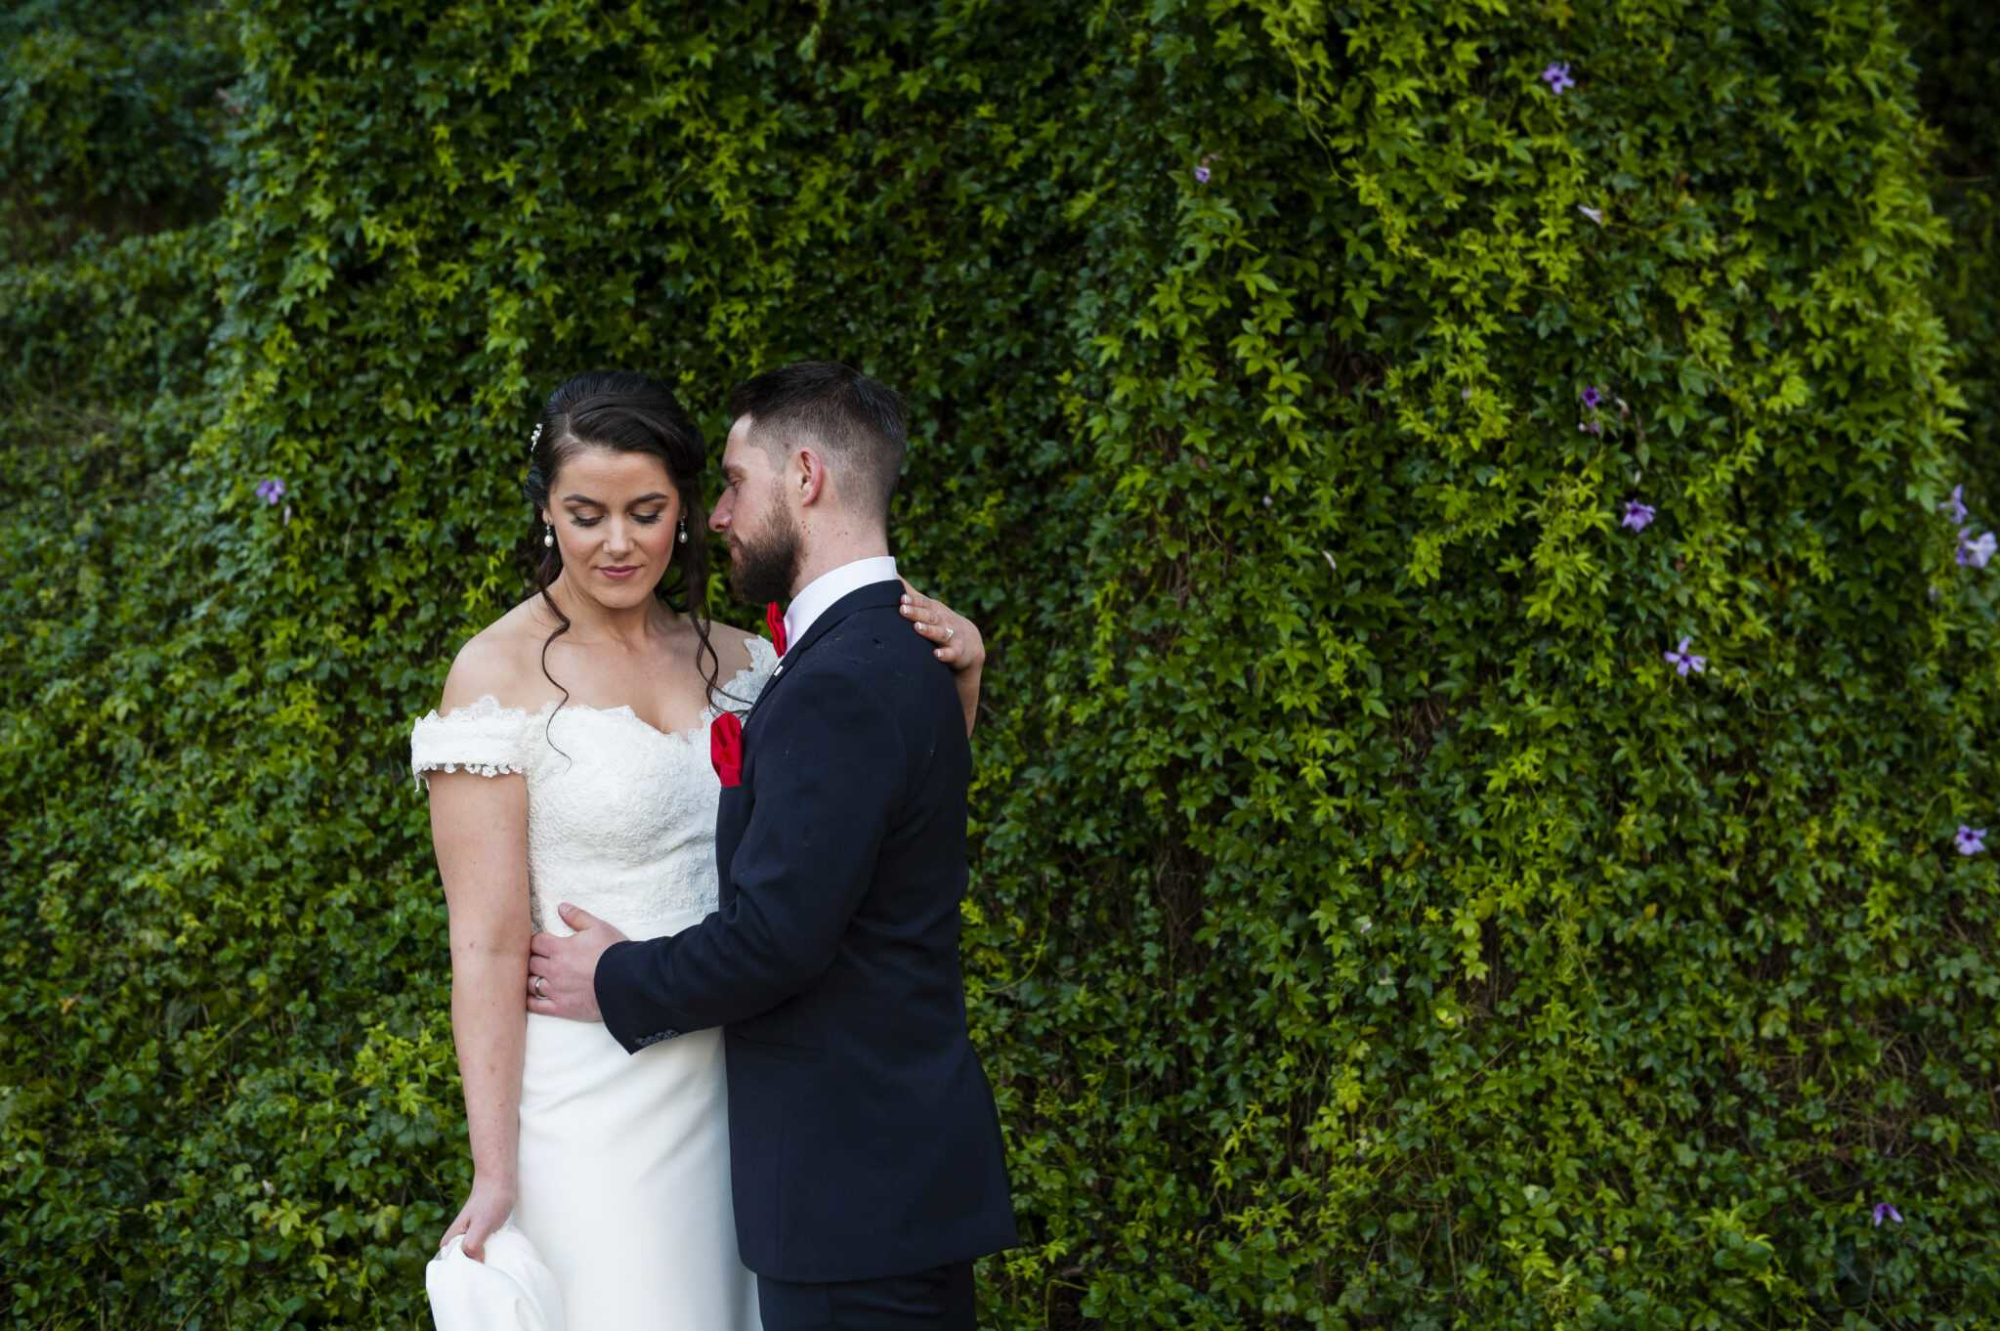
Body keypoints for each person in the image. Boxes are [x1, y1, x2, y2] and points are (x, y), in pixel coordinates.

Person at [411, 369, 987, 1331]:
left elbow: (869, 822)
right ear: (547, 513)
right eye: (586, 513)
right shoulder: (493, 672)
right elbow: (484, 942)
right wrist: (494, 1167)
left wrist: (959, 682)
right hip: (592, 1091)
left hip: (751, 1082)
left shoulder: (749, 660)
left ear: (684, 511)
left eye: (647, 510)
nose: (618, 541)